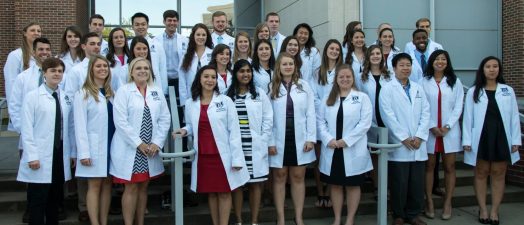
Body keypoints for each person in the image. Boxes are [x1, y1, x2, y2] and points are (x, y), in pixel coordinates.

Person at [173, 65, 249, 225]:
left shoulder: (225, 101)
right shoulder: (191, 102)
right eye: (206, 77)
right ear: (199, 79)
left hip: (223, 156)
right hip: (203, 156)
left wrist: (237, 159)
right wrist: (184, 131)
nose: (210, 80)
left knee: (224, 193)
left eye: (213, 77)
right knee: (212, 194)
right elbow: (191, 125)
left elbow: (234, 131)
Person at [111, 57, 170, 225]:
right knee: (131, 187)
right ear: (131, 71)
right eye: (138, 68)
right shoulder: (124, 91)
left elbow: (165, 119)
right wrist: (139, 143)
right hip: (131, 148)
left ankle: (140, 222)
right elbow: (120, 122)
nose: (143, 71)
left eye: (146, 68)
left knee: (144, 187)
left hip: (151, 149)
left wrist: (157, 143)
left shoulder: (156, 91)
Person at [462, 56, 521, 225]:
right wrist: (467, 140)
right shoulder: (474, 91)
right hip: (481, 136)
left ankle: (495, 211)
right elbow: (468, 118)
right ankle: (483, 209)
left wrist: (516, 139)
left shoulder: (507, 90)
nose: (492, 69)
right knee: (481, 172)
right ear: (482, 70)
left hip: (502, 136)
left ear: (499, 70)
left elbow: (514, 118)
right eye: (488, 66)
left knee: (498, 173)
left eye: (495, 66)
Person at [17, 57, 75, 225]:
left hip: (59, 153)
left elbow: (69, 128)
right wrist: (32, 156)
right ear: (44, 73)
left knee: (54, 200)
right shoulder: (32, 97)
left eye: (60, 71)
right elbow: (26, 129)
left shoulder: (64, 97)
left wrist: (71, 153)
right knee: (38, 200)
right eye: (53, 70)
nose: (57, 74)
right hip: (39, 155)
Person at [317, 64, 373, 225]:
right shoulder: (328, 98)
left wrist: (346, 141)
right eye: (341, 77)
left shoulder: (362, 98)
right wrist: (329, 140)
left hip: (352, 148)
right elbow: (320, 121)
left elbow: (365, 123)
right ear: (336, 79)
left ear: (353, 78)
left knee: (352, 185)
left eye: (348, 76)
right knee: (335, 185)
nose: (345, 79)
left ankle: (349, 219)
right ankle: (337, 218)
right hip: (333, 148)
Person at [379, 53, 430, 225]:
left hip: (418, 143)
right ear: (394, 68)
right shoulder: (387, 88)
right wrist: (403, 137)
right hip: (400, 144)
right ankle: (399, 215)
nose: (406, 68)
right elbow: (387, 115)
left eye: (408, 65)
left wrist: (420, 136)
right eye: (402, 65)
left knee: (416, 182)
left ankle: (414, 214)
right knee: (399, 182)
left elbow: (426, 113)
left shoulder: (418, 88)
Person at [269, 53, 316, 225]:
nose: (288, 66)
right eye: (284, 64)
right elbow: (268, 118)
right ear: (279, 67)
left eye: (291, 63)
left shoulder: (304, 86)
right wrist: (270, 142)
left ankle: (298, 217)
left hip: (300, 138)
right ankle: (280, 218)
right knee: (279, 176)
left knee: (298, 177)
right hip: (279, 138)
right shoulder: (271, 87)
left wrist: (311, 138)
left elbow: (311, 113)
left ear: (295, 66)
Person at [226, 60, 273, 225]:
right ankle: (238, 220)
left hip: (255, 146)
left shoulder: (259, 94)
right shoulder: (227, 96)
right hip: (236, 147)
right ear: (235, 74)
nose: (245, 74)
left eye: (248, 71)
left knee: (255, 185)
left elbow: (268, 119)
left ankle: (254, 221)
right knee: (238, 185)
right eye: (241, 71)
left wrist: (264, 138)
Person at [419, 50, 464, 220]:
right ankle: (429, 201)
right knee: (429, 166)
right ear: (431, 62)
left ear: (447, 62)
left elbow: (458, 106)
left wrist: (447, 126)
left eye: (443, 59)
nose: (440, 61)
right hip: (430, 131)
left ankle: (447, 202)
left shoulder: (455, 82)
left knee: (450, 167)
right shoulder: (423, 82)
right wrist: (431, 126)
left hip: (449, 132)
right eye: (437, 59)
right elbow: (421, 105)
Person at [73, 55, 115, 225]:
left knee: (107, 185)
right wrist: (83, 152)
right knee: (94, 185)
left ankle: (103, 222)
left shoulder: (112, 93)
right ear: (91, 69)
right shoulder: (83, 93)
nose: (102, 69)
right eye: (98, 66)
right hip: (93, 146)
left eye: (105, 66)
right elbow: (80, 126)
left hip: (110, 145)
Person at [311, 39, 343, 208]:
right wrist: (325, 107)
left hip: (337, 119)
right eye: (331, 48)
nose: (334, 51)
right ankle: (320, 192)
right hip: (319, 119)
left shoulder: (343, 71)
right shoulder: (317, 72)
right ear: (326, 51)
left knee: (333, 158)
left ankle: (330, 192)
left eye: (337, 49)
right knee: (319, 159)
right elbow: (314, 95)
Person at [356, 45, 392, 199]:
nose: (376, 56)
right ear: (368, 57)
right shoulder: (361, 77)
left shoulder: (390, 76)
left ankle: (390, 187)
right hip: (370, 122)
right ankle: (378, 187)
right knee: (375, 156)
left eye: (378, 53)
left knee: (390, 155)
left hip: (388, 121)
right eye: (373, 54)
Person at [9, 37, 52, 136]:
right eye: (41, 49)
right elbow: (15, 105)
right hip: (29, 131)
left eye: (48, 49)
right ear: (33, 52)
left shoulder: (59, 77)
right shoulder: (23, 77)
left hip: (52, 132)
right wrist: (22, 129)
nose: (45, 52)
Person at [4, 22, 41, 117]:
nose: (36, 33)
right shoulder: (15, 56)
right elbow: (10, 84)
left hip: (39, 107)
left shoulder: (41, 56)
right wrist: (14, 113)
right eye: (32, 30)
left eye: (39, 31)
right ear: (25, 33)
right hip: (22, 108)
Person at [130, 12, 168, 94]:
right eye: (137, 24)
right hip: (132, 88)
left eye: (143, 24)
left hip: (154, 87)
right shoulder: (128, 45)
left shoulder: (157, 45)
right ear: (132, 26)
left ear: (147, 26)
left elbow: (162, 70)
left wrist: (163, 92)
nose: (140, 27)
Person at [178, 23, 214, 105]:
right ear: (193, 36)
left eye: (203, 35)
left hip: (210, 97)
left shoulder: (212, 54)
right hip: (190, 98)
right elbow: (182, 81)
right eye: (198, 34)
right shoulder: (186, 56)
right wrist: (184, 102)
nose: (201, 37)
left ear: (207, 37)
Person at [153, 9, 188, 90]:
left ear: (178, 22)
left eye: (174, 20)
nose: (172, 23)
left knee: (178, 102)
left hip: (178, 80)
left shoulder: (185, 41)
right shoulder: (155, 40)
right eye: (169, 20)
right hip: (161, 79)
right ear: (164, 22)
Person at [64, 32, 101, 100]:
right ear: (83, 46)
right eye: (92, 44)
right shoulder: (75, 71)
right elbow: (69, 97)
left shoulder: (105, 69)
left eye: (98, 44)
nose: (96, 46)